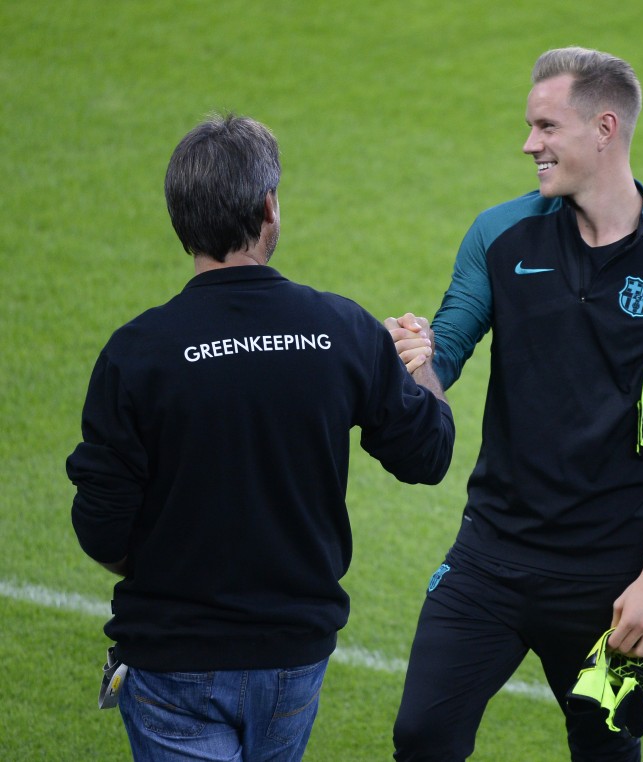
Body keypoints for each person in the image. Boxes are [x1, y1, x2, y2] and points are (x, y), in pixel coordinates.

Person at [66, 114, 455, 761]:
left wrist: (176, 572)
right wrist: (421, 367)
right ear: (269, 207)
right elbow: (428, 453)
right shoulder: (342, 332)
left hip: (173, 657)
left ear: (180, 217)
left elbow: (100, 528)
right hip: (292, 657)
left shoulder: (138, 354)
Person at [387, 47, 643, 760]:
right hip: (489, 558)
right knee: (421, 736)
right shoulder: (499, 234)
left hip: (611, 586)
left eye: (546, 127)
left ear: (604, 128)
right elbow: (446, 355)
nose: (528, 144)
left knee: (607, 753)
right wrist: (417, 357)